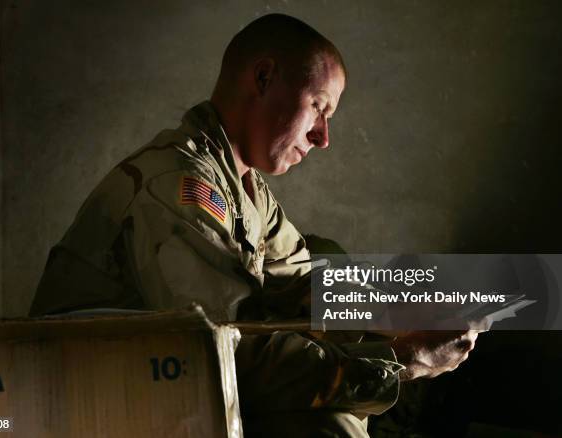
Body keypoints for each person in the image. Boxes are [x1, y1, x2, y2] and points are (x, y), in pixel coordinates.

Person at [29, 14, 478, 437]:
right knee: (329, 425)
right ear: (263, 79)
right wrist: (401, 359)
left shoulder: (245, 188)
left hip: (154, 385)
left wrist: (410, 308)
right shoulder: (180, 186)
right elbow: (226, 355)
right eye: (318, 107)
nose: (323, 137)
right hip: (88, 399)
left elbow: (305, 283)